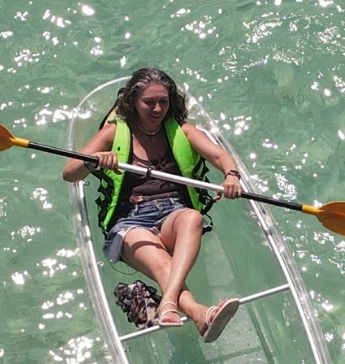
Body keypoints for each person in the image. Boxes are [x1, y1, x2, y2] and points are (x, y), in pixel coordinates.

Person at [64, 68, 244, 340]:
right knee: (162, 265)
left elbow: (220, 156)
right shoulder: (114, 132)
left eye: (163, 101)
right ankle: (199, 313)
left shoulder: (183, 130)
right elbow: (70, 173)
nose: (157, 109)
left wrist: (231, 175)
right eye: (149, 102)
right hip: (131, 221)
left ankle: (169, 303)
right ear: (133, 102)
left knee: (193, 217)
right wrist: (94, 161)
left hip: (174, 213)